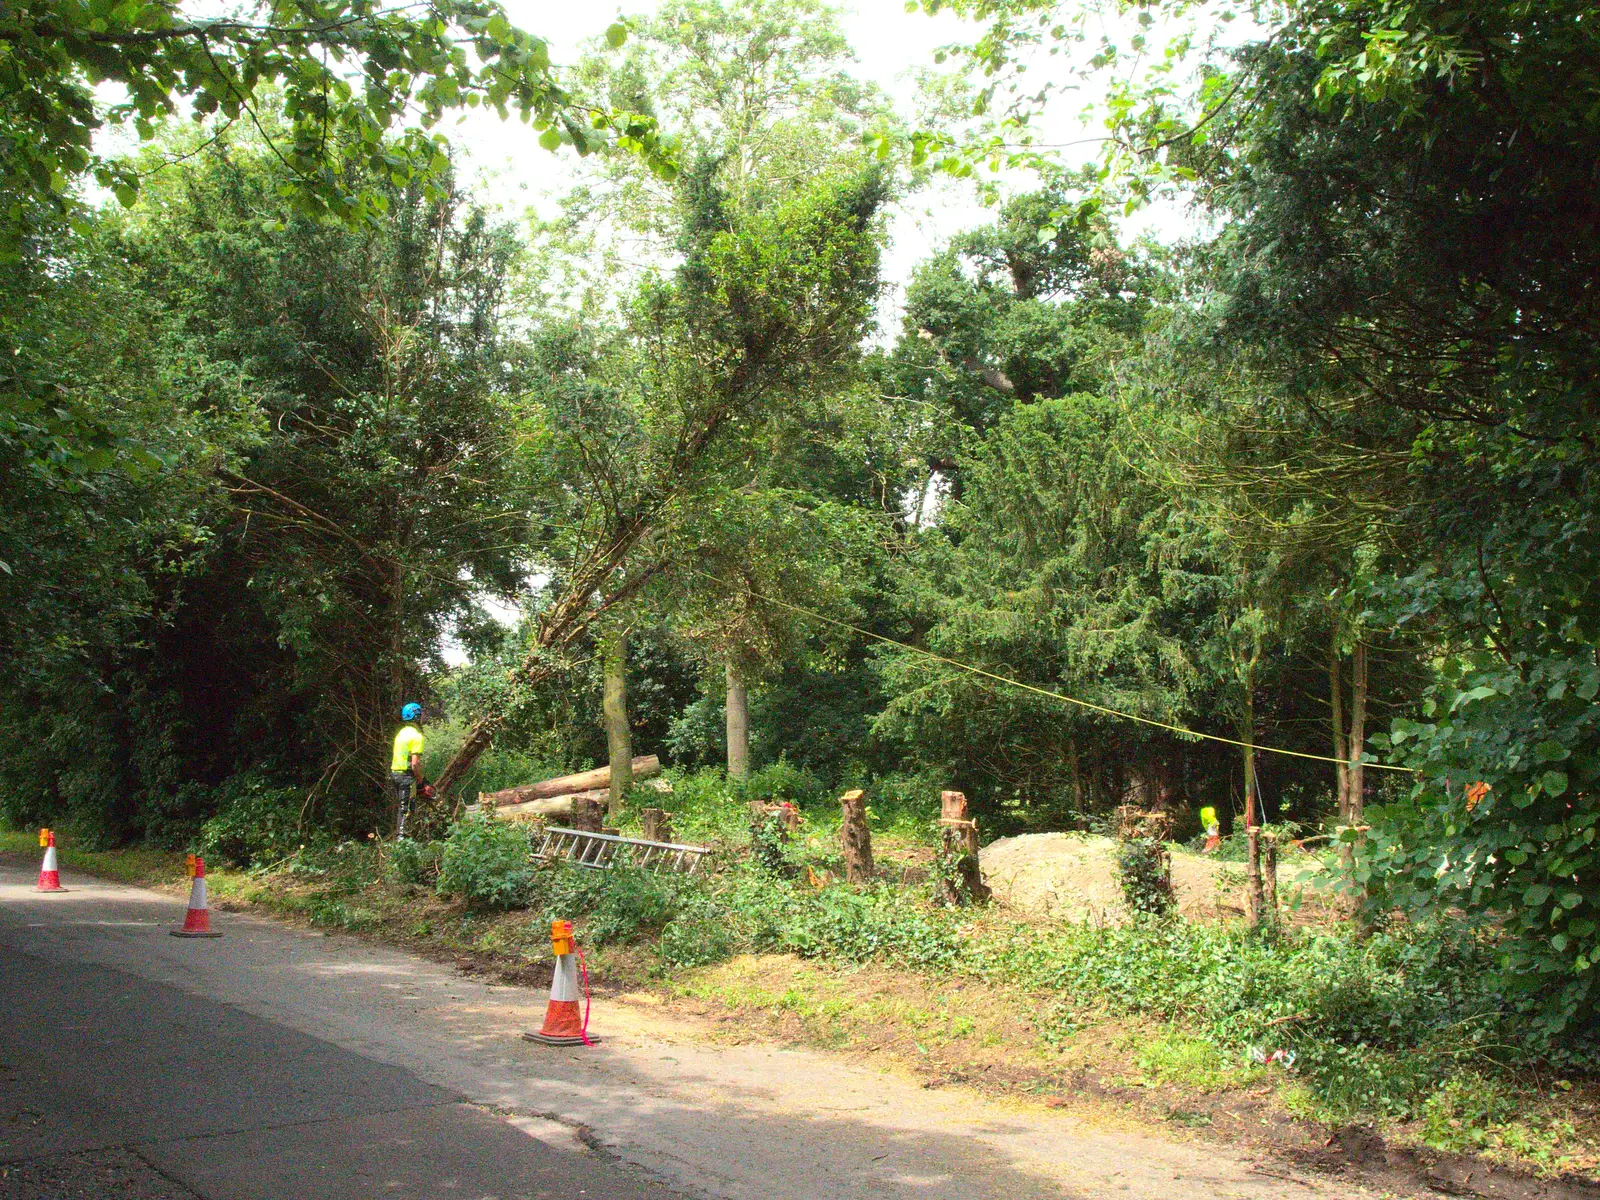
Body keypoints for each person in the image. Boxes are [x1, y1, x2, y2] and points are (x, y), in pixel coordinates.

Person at [390, 703, 433, 837]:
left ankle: (403, 837)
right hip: (406, 776)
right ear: (417, 716)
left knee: (402, 806)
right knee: (407, 809)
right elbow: (415, 764)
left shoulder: (401, 734)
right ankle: (402, 841)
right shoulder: (416, 736)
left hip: (395, 774)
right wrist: (421, 780)